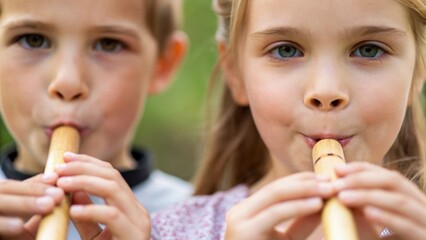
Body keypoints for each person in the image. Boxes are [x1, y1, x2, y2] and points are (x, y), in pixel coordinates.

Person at [150, 0, 426, 239]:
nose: (326, 91)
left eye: (369, 50)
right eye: (286, 50)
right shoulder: (169, 232)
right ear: (235, 72)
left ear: (417, 72)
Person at [0, 0, 191, 238]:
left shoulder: (206, 221)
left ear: (162, 64)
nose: (68, 82)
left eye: (108, 44)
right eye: (33, 39)